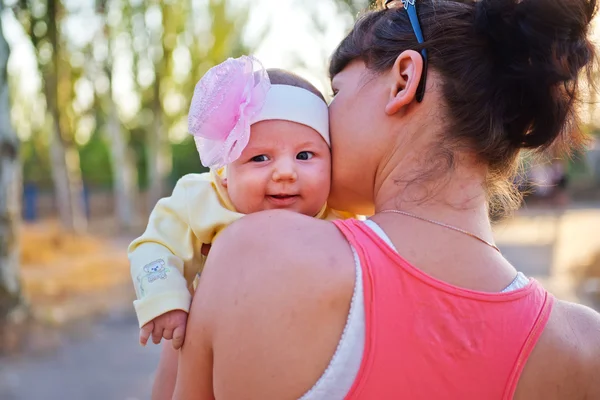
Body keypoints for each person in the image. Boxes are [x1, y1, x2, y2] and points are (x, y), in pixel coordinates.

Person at [172, 0, 600, 398]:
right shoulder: (583, 345)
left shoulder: (258, 247)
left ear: (403, 80)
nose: (321, 122)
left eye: (336, 93)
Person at [128, 55, 354, 354]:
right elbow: (156, 245)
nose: (285, 172)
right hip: (225, 346)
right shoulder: (203, 199)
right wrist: (165, 299)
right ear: (224, 171)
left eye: (305, 156)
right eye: (260, 158)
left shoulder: (341, 212)